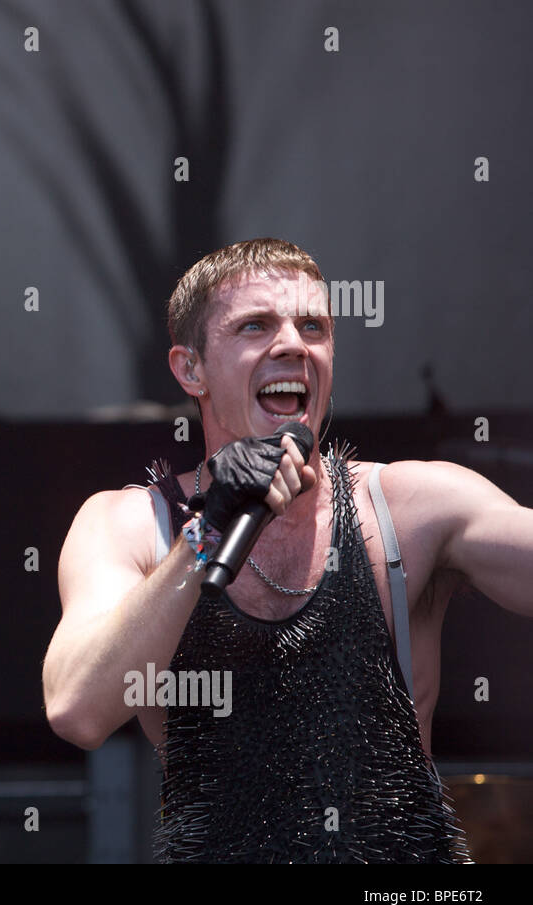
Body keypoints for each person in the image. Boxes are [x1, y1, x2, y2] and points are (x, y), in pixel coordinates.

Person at [43, 238, 533, 862]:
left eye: (313, 327)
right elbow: (77, 709)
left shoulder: (413, 507)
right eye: (255, 325)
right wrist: (209, 530)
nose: (293, 345)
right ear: (191, 369)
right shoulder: (132, 525)